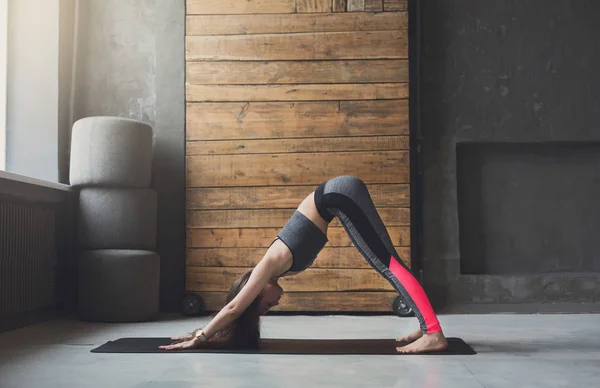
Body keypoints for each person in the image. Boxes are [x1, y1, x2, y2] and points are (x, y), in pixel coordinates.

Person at [160, 176, 448, 353]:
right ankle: (427, 328)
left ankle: (433, 333)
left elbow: (235, 307)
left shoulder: (268, 264)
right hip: (338, 195)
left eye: (266, 305)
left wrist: (200, 336)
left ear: (257, 292)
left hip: (338, 195)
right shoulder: (278, 268)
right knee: (390, 263)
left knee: (387, 264)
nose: (275, 303)